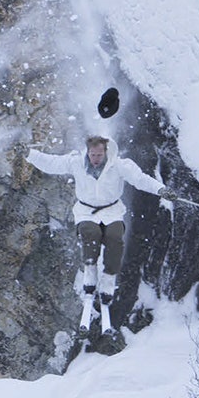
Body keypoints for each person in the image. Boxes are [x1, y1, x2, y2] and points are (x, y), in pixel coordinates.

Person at [27, 133, 171, 341]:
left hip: (112, 210)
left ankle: (109, 281)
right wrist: (30, 154)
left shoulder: (119, 165)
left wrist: (161, 189)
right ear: (88, 152)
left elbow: (140, 179)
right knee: (91, 235)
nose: (95, 158)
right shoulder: (76, 162)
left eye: (99, 154)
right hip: (86, 212)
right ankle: (90, 274)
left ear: (106, 152)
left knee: (114, 238)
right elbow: (51, 163)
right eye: (92, 154)